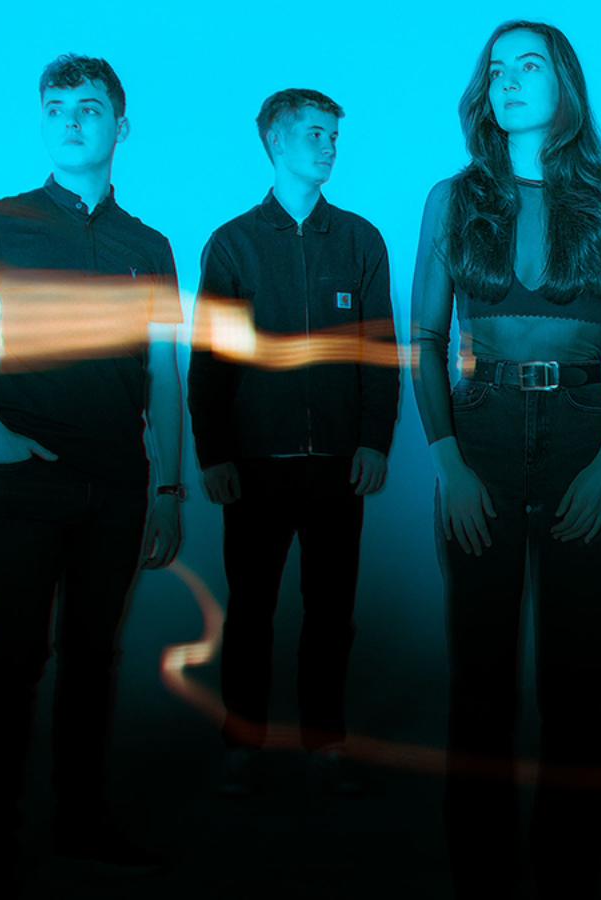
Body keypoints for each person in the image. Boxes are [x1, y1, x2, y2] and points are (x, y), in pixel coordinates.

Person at [0, 54, 184, 897]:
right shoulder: (0, 220)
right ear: (44, 122)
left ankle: (82, 821)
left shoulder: (151, 244)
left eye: (91, 106)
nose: (73, 119)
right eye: (57, 106)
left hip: (120, 483)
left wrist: (169, 486)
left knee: (94, 658)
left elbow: (166, 375)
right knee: (15, 658)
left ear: (121, 126)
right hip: (27, 477)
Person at [408, 20, 601, 899]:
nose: (511, 78)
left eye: (532, 63)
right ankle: (477, 870)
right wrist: (447, 460)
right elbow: (426, 340)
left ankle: (564, 871)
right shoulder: (452, 196)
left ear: (567, 83)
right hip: (477, 430)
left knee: (577, 671)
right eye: (497, 67)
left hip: (584, 433)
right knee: (479, 669)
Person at [187, 88, 398, 795]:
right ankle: (242, 737)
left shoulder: (362, 240)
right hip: (256, 466)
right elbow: (209, 360)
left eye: (334, 135)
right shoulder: (233, 243)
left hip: (339, 465)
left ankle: (324, 735)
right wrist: (213, 452)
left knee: (332, 612)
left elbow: (382, 350)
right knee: (250, 611)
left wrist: (375, 442)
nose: (329, 146)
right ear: (276, 143)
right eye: (315, 133)